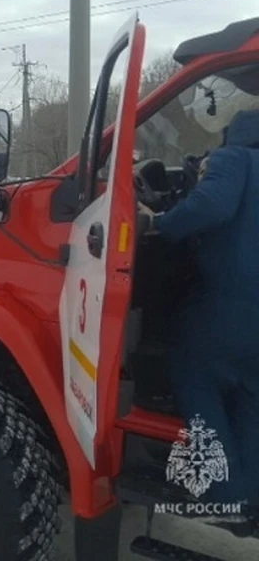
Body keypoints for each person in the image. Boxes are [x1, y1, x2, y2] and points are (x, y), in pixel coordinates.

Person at [138, 108, 259, 520]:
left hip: (232, 303)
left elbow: (212, 207)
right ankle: (249, 494)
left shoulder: (236, 158)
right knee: (249, 391)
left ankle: (225, 496)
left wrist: (161, 224)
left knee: (194, 372)